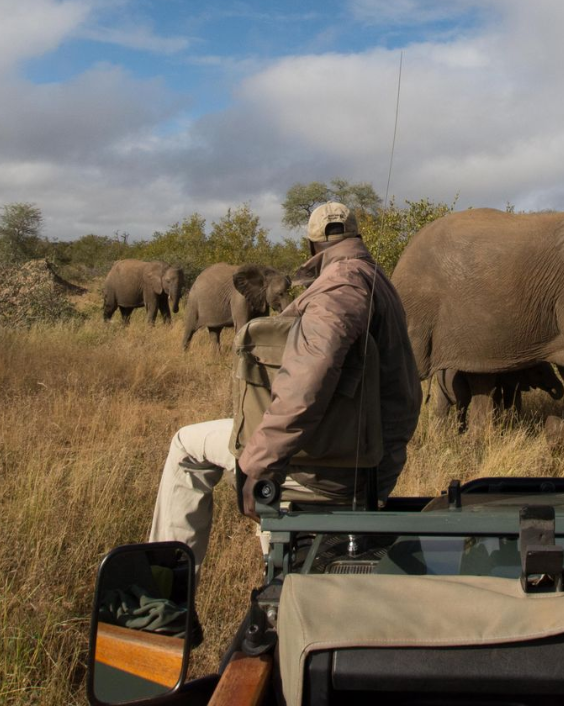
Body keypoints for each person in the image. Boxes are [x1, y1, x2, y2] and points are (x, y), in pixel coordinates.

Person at [147, 202, 422, 565]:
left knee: (185, 446)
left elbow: (309, 377)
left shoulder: (340, 284)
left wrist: (262, 463)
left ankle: (164, 599)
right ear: (357, 236)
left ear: (311, 247)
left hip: (336, 471)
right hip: (365, 458)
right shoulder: (374, 276)